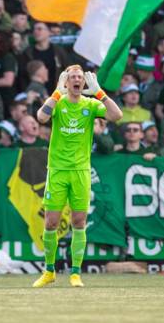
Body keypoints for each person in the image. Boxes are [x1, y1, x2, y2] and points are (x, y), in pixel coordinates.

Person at [32, 66, 122, 288]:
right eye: (72, 77)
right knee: (51, 222)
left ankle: (75, 273)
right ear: (66, 81)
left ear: (84, 83)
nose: (76, 80)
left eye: (79, 77)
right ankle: (49, 271)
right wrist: (56, 92)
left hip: (81, 171)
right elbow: (41, 117)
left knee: (78, 221)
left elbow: (116, 115)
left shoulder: (90, 105)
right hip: (58, 170)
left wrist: (99, 92)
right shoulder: (58, 102)